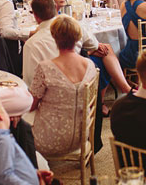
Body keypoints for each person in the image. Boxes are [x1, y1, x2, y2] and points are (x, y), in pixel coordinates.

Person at [25, 0, 128, 94]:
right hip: (74, 74)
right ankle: (107, 99)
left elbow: (31, 84)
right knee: (104, 52)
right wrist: (91, 50)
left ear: (36, 16)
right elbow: (89, 45)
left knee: (104, 51)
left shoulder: (33, 42)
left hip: (53, 86)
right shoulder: (70, 24)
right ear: (52, 4)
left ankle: (108, 98)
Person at [29, 15, 99, 158]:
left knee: (16, 124)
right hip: (81, 137)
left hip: (49, 139)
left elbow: (31, 106)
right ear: (78, 36)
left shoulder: (45, 68)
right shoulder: (90, 65)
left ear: (54, 36)